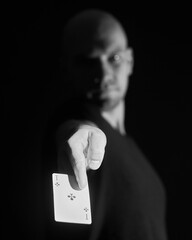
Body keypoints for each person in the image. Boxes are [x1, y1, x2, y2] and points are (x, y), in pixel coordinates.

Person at [42, 9, 168, 240]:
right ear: (65, 69)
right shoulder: (74, 121)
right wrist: (79, 132)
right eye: (87, 62)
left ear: (130, 60)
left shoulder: (131, 148)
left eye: (114, 58)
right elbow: (71, 128)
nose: (103, 73)